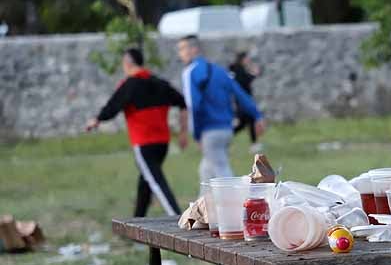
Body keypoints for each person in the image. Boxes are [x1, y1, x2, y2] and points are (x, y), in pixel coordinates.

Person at [85, 48, 187, 217]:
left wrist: (96, 120)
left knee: (156, 182)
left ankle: (179, 218)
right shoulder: (159, 83)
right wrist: (183, 133)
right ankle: (138, 220)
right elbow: (183, 103)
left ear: (127, 63)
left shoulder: (129, 84)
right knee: (145, 181)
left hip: (144, 144)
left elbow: (113, 106)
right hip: (163, 143)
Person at [177, 35, 266, 183]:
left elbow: (194, 105)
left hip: (209, 131)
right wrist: (257, 115)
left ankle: (239, 203)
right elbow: (240, 94)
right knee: (206, 171)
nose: (180, 53)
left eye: (182, 49)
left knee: (223, 173)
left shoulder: (190, 72)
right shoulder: (219, 70)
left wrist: (196, 134)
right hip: (226, 129)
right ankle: (204, 204)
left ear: (194, 49)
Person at [229, 51, 263, 152]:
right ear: (242, 59)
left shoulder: (237, 70)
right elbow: (243, 82)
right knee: (248, 120)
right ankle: (254, 144)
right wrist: (253, 75)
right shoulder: (238, 70)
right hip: (243, 101)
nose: (249, 60)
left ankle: (254, 144)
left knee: (244, 123)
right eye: (247, 58)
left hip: (243, 100)